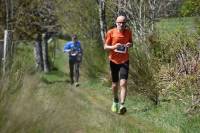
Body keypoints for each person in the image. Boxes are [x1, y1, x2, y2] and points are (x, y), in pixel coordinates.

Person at [104, 15, 133, 114]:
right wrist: (113, 47)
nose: (121, 24)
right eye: (119, 22)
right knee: (114, 84)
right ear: (116, 23)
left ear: (125, 24)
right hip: (113, 61)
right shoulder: (110, 32)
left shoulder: (128, 32)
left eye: (123, 23)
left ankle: (122, 105)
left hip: (124, 60)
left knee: (123, 83)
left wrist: (129, 45)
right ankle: (115, 100)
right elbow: (105, 47)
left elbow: (131, 43)